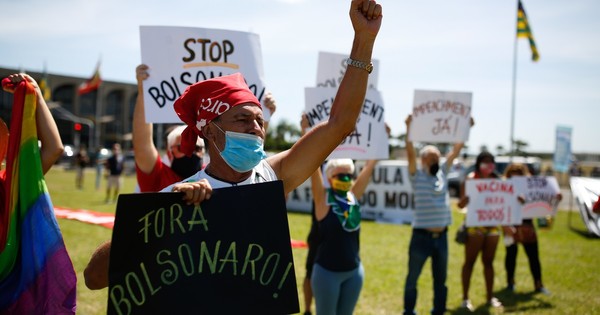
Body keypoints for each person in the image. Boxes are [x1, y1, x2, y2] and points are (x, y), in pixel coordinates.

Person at [84, 0, 383, 290]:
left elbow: (340, 125)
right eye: (242, 119)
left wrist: (364, 39)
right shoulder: (179, 198)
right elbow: (94, 278)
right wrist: (167, 214)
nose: (255, 128)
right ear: (211, 132)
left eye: (260, 120)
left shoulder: (271, 177)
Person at [403, 114, 468, 315]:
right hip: (421, 237)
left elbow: (456, 149)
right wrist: (409, 129)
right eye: (431, 158)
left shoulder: (443, 173)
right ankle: (409, 311)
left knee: (441, 280)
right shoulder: (416, 175)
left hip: (442, 238)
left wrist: (465, 127)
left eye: (437, 158)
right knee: (413, 278)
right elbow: (410, 153)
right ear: (423, 160)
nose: (435, 161)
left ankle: (438, 311)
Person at [309, 158, 377, 315]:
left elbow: (369, 168)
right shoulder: (323, 200)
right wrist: (306, 134)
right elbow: (313, 167)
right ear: (329, 177)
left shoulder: (352, 197)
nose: (346, 178)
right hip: (327, 274)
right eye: (340, 175)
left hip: (354, 273)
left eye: (349, 174)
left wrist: (378, 146)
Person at [502, 163, 560, 294]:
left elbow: (541, 204)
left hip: (527, 224)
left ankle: (538, 284)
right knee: (511, 255)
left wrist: (555, 199)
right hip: (510, 225)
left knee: (533, 256)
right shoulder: (504, 189)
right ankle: (510, 283)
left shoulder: (530, 187)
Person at [457, 151, 503, 310]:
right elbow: (461, 205)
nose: (488, 165)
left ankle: (490, 297)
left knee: (489, 262)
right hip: (475, 227)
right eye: (485, 161)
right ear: (478, 163)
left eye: (491, 161)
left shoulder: (497, 181)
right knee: (469, 262)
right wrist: (466, 200)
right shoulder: (470, 180)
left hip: (493, 227)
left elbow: (505, 202)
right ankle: (465, 298)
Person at [0, 73, 63, 174]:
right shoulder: (12, 183)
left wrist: (35, 93)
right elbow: (53, 150)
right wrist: (36, 95)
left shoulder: (9, 182)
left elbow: (54, 150)